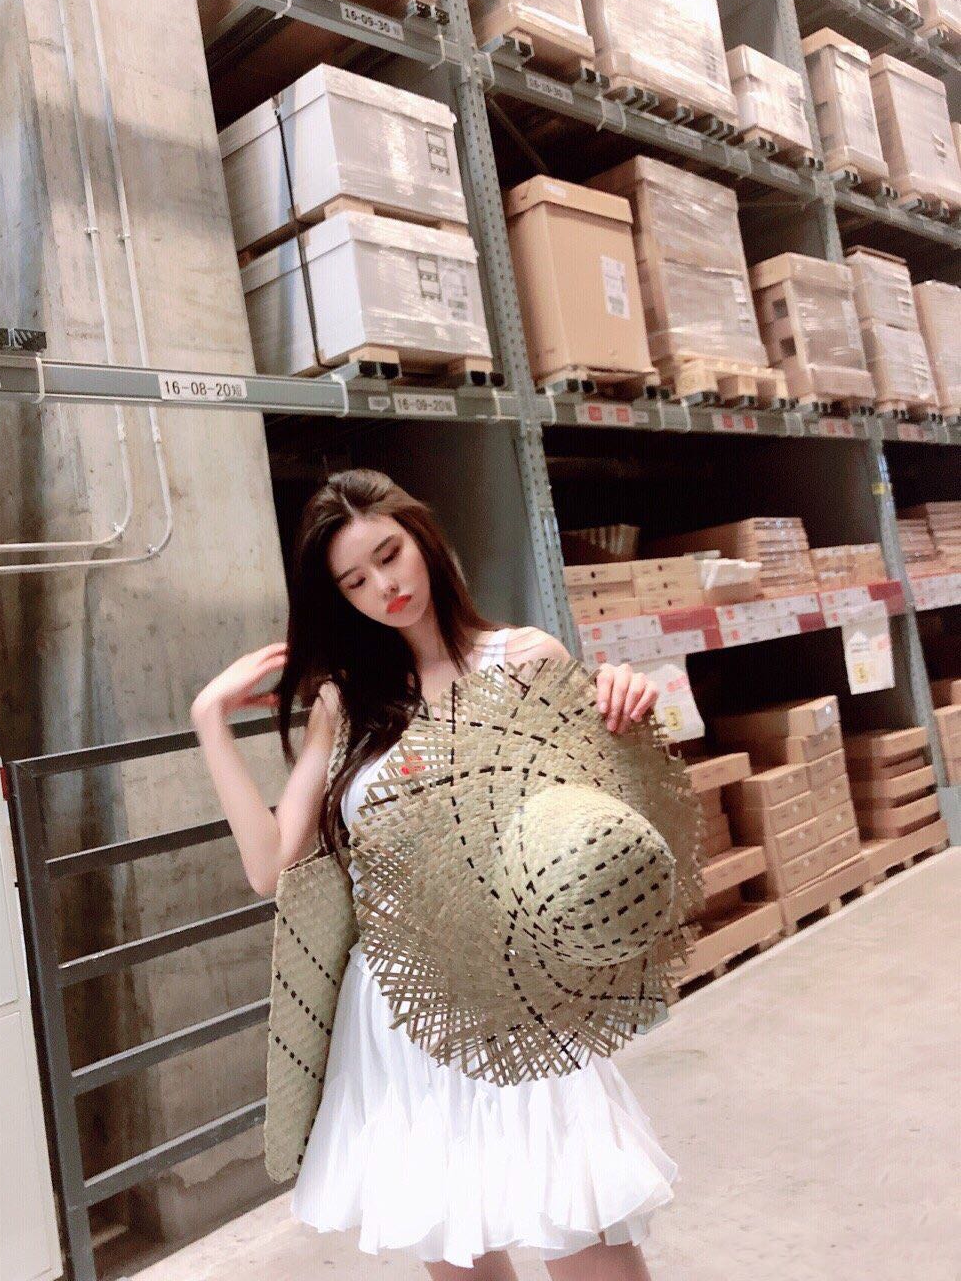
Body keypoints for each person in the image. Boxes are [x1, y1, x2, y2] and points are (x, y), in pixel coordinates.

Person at [192, 469, 677, 1281]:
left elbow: (596, 818)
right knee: (460, 1253)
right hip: (396, 1017)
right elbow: (269, 865)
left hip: (516, 997)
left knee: (588, 1236)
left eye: (389, 555)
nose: (383, 587)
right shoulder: (347, 705)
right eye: (354, 581)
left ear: (422, 538)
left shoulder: (526, 659)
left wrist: (626, 704)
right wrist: (209, 719)